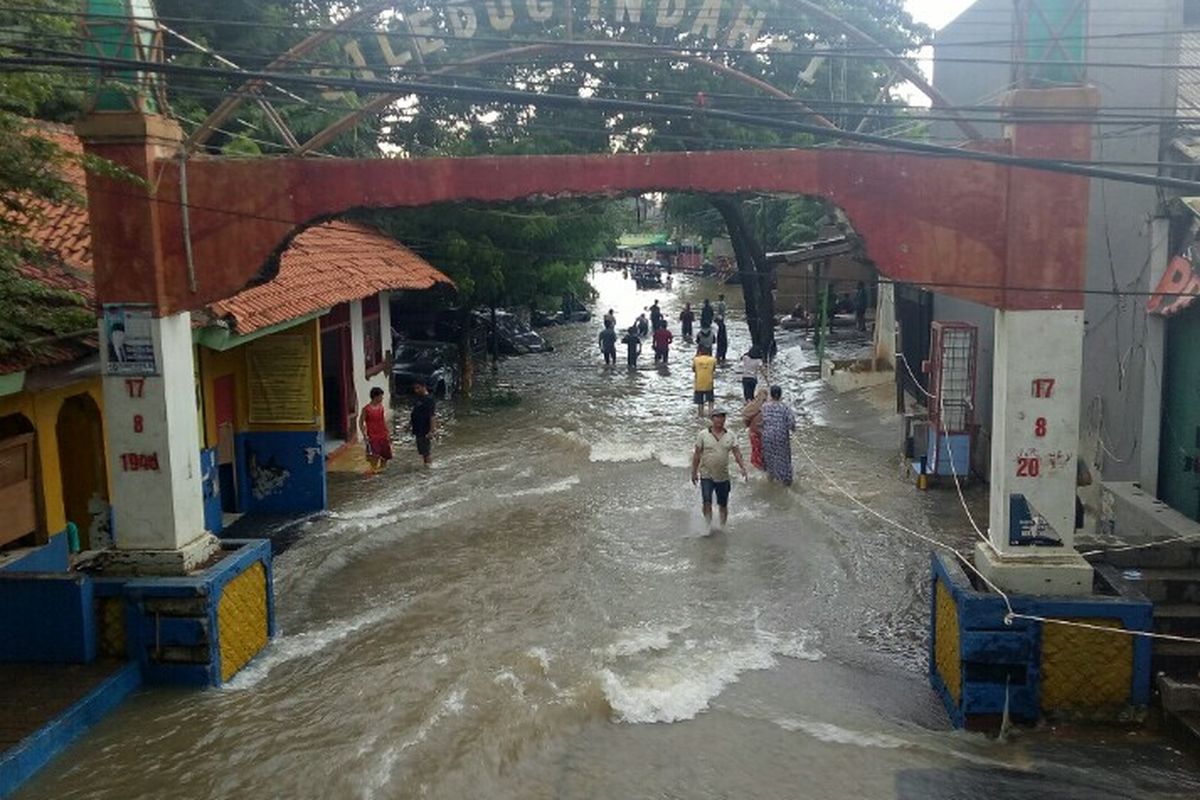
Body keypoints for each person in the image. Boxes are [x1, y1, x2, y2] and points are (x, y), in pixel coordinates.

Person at [691, 408, 748, 530]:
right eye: (717, 417)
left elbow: (737, 453)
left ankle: (722, 527)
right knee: (707, 502)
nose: (720, 419)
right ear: (712, 419)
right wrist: (694, 472)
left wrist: (742, 467)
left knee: (723, 504)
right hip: (706, 474)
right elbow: (697, 454)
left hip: (723, 476)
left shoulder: (730, 435)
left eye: (722, 417)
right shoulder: (703, 435)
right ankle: (707, 526)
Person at [760, 385, 797, 485]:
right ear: (780, 395)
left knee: (770, 459)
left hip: (767, 437)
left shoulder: (764, 407)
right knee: (783, 459)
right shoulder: (785, 408)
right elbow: (791, 424)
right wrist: (793, 430)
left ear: (771, 395)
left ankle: (771, 479)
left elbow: (760, 422)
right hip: (781, 438)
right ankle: (786, 481)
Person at [359, 386, 393, 472]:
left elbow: (383, 420)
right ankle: (373, 473)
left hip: (382, 434)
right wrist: (364, 434)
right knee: (374, 457)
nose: (382, 398)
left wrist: (388, 432)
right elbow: (361, 422)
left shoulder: (381, 407)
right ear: (376, 396)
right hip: (372, 436)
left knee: (385, 456)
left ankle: (381, 471)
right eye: (381, 396)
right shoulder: (366, 409)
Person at [410, 380, 437, 466]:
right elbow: (415, 413)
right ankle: (426, 465)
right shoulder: (418, 398)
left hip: (425, 428)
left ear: (423, 387)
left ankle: (429, 468)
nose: (416, 390)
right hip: (418, 428)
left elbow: (432, 416)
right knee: (422, 451)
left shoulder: (429, 399)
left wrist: (432, 431)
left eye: (418, 388)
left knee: (426, 452)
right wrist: (409, 424)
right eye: (415, 388)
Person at [742, 386, 769, 471]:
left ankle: (758, 467)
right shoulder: (760, 406)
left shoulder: (754, 405)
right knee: (759, 451)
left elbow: (745, 418)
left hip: (756, 433)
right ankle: (759, 468)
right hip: (757, 433)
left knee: (758, 451)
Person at [692, 346, 717, 417]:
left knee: (700, 402)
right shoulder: (713, 360)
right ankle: (711, 413)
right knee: (710, 400)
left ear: (699, 352)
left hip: (699, 383)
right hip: (709, 383)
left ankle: (700, 414)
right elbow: (713, 369)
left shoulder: (696, 359)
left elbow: (694, 369)